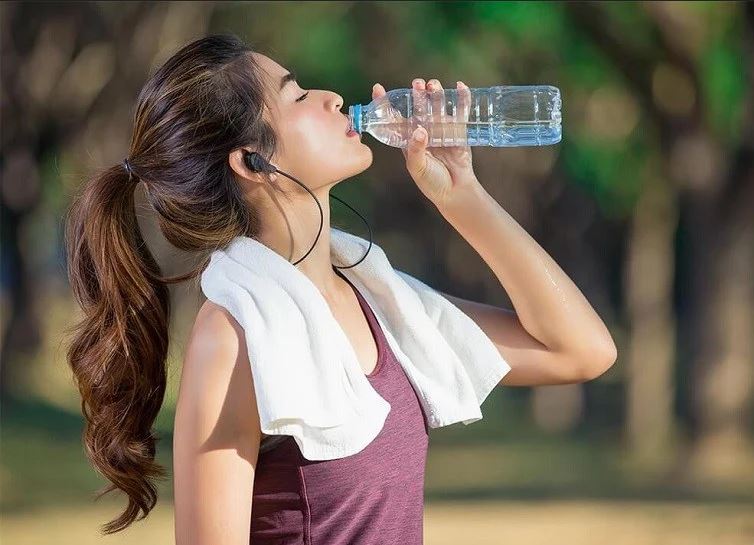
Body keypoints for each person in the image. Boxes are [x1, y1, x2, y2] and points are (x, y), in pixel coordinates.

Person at [64, 33, 616, 544]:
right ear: (253, 162)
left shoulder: (381, 302)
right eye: (297, 95)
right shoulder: (233, 336)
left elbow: (581, 350)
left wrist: (461, 195)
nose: (331, 97)